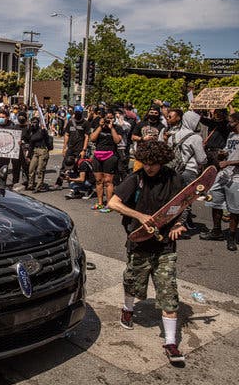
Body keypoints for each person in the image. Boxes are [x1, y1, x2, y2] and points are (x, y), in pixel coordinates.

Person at [107, 140, 187, 364]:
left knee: (168, 291)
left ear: (162, 161)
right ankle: (127, 309)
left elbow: (183, 204)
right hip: (139, 242)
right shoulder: (136, 178)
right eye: (145, 162)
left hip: (165, 246)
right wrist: (139, 216)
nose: (149, 167)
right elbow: (113, 203)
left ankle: (170, 343)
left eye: (153, 163)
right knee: (133, 281)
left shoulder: (174, 178)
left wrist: (179, 224)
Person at [201, 112, 239, 250]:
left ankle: (232, 237)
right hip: (224, 175)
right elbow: (228, 150)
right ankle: (216, 231)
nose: (229, 124)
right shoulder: (231, 135)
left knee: (234, 209)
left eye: (231, 122)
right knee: (215, 201)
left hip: (236, 178)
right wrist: (223, 154)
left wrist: (229, 162)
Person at [89, 109, 122, 212]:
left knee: (108, 181)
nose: (109, 120)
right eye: (107, 118)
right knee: (99, 180)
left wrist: (112, 128)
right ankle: (100, 203)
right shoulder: (99, 127)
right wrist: (100, 126)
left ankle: (109, 204)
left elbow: (117, 140)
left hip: (110, 155)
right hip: (98, 155)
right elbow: (92, 138)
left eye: (111, 118)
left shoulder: (117, 128)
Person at [26, 114, 50, 192]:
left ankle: (39, 186)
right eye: (33, 122)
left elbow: (44, 138)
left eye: (35, 122)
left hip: (43, 150)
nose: (34, 124)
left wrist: (43, 130)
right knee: (31, 169)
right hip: (35, 151)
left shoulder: (42, 131)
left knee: (40, 170)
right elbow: (31, 144)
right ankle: (30, 185)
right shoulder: (31, 131)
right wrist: (28, 156)